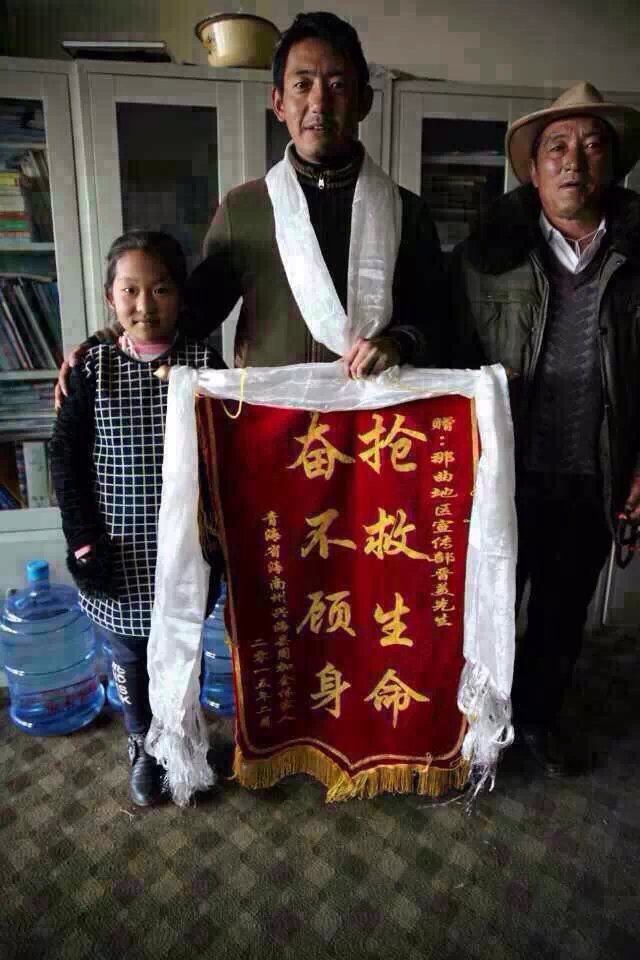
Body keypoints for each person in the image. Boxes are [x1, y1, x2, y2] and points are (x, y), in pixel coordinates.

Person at [449, 82, 640, 776]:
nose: (574, 161)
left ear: (612, 165)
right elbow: (447, 355)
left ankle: (536, 720)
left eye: (592, 146)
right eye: (557, 147)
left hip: (594, 469)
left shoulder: (637, 258)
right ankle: (476, 724)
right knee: (487, 605)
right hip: (506, 473)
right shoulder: (484, 258)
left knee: (561, 614)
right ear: (533, 170)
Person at [50, 230, 225, 807]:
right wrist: (83, 542)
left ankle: (183, 741)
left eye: (160, 290)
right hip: (116, 549)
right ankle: (142, 743)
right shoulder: (92, 368)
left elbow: (230, 452)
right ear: (111, 298)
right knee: (129, 655)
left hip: (186, 553)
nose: (144, 305)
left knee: (183, 650)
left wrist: (218, 540)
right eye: (130, 291)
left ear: (180, 296)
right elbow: (66, 459)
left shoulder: (205, 363)